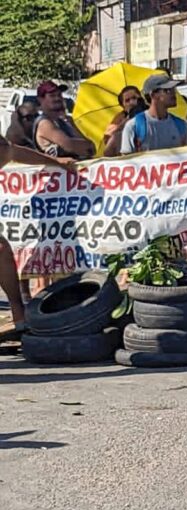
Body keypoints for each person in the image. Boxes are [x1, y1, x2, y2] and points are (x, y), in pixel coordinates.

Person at [0, 135, 77, 341]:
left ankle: (18, 311)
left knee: (1, 249)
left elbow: (14, 151)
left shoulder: (3, 149)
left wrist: (55, 162)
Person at [121, 73, 187, 154]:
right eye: (167, 90)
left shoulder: (182, 125)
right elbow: (127, 162)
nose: (173, 93)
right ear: (153, 95)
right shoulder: (133, 126)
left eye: (174, 89)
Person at [35, 80, 94, 160]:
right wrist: (86, 146)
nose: (57, 98)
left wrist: (70, 123)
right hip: (55, 170)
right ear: (40, 99)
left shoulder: (65, 121)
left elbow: (91, 147)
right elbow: (69, 146)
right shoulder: (44, 123)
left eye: (59, 95)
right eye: (52, 96)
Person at [102, 86, 145, 157]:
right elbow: (107, 138)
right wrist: (125, 121)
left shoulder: (149, 110)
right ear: (123, 106)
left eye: (134, 98)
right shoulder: (120, 117)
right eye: (127, 100)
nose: (131, 102)